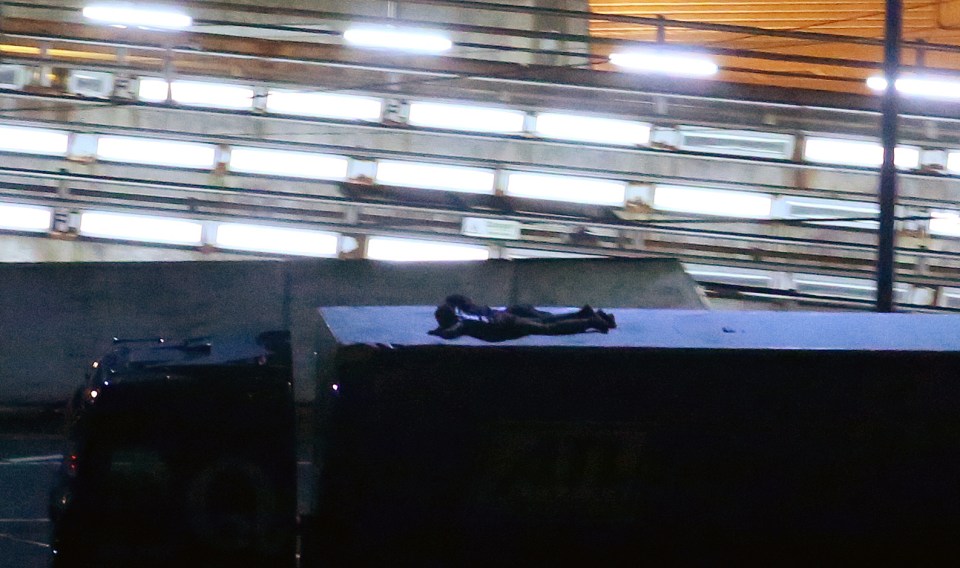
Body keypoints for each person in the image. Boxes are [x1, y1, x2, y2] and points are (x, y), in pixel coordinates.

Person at [428, 294, 616, 342]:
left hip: (504, 326)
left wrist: (437, 332)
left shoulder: (460, 323)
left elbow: (449, 334)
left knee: (546, 328)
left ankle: (590, 321)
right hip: (503, 319)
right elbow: (456, 301)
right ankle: (585, 315)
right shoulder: (466, 311)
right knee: (545, 323)